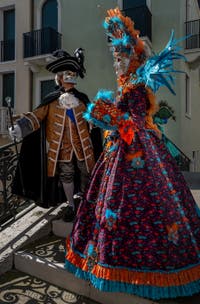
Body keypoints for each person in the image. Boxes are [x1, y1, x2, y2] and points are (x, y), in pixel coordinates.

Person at [64, 8, 200, 300]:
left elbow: (133, 120)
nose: (116, 64)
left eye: (121, 58)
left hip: (137, 152)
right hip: (119, 150)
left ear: (135, 59)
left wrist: (106, 113)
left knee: (146, 206)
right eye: (114, 58)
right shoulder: (126, 86)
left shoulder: (136, 87)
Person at [9, 48, 98, 222]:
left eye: (72, 75)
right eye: (66, 75)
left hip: (83, 147)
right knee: (66, 175)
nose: (70, 79)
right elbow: (37, 116)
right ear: (59, 78)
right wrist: (20, 128)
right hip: (61, 148)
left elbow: (93, 116)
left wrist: (96, 119)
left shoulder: (82, 99)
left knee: (87, 173)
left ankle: (89, 204)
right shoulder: (51, 100)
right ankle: (71, 206)